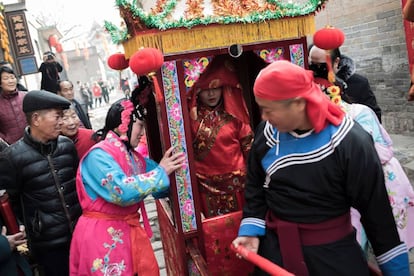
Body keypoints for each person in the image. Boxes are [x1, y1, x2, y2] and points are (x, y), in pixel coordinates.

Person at [232, 60, 410, 276]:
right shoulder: (267, 135)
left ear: (298, 103)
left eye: (268, 110)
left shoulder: (351, 143)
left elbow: (378, 216)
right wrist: (251, 231)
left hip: (333, 257)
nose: (263, 117)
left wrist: (397, 272)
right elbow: (256, 187)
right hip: (276, 252)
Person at [69, 92, 186, 275]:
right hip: (102, 235)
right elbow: (122, 191)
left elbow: (160, 184)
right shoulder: (97, 156)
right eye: (140, 125)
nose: (142, 133)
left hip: (127, 232)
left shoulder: (135, 158)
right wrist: (161, 172)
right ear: (123, 125)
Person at [0, 90, 81, 276]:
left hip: (80, 235)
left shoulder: (67, 146)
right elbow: (9, 203)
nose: (62, 121)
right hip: (49, 246)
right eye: (57, 116)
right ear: (36, 119)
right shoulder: (12, 158)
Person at [187, 55, 253, 218]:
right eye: (205, 90)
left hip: (238, 187)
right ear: (197, 91)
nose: (211, 94)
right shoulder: (190, 120)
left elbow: (249, 149)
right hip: (205, 189)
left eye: (215, 88)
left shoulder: (235, 116)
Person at [309, 45, 382, 122]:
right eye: (311, 65)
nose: (315, 70)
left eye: (321, 66)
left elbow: (374, 117)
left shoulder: (358, 83)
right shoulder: (308, 83)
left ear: (336, 62)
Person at [0, 66, 27, 144]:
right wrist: (5, 140)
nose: (10, 81)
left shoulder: (26, 97)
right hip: (10, 148)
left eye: (12, 77)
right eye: (6, 79)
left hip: (33, 143)